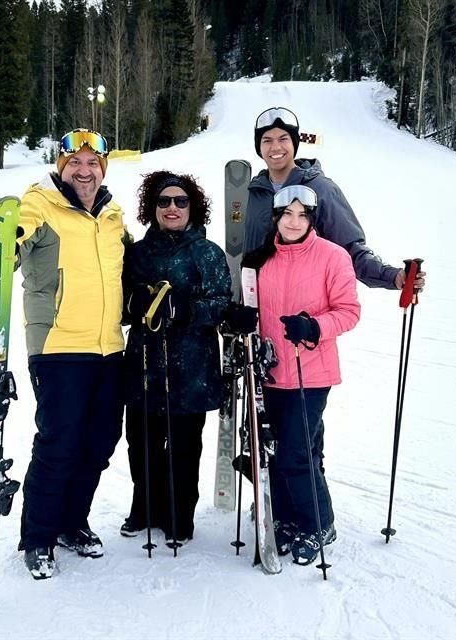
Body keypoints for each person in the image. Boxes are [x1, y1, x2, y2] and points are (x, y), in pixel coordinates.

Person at [0, 129, 128, 580]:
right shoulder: (40, 203)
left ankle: (71, 522)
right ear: (62, 167)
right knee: (59, 444)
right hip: (59, 346)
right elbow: (6, 252)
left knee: (100, 443)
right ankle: (38, 537)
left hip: (109, 348)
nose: (84, 172)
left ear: (103, 169)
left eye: (93, 165)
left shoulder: (112, 213)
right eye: (75, 164)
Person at [119, 171, 254, 545]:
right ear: (153, 208)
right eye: (164, 202)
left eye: (180, 201)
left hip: (190, 367)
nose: (172, 208)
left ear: (192, 207)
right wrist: (134, 303)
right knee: (142, 442)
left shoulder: (205, 252)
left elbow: (219, 303)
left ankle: (180, 516)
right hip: (146, 362)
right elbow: (120, 301)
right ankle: (144, 508)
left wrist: (182, 309)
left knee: (183, 445)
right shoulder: (138, 252)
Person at [242, 184, 360, 566]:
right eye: (287, 214)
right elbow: (251, 308)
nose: (294, 222)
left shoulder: (333, 257)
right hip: (268, 369)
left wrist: (314, 327)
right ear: (276, 216)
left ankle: (318, 522)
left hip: (310, 372)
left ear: (312, 219)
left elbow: (349, 311)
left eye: (302, 215)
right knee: (271, 452)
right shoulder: (261, 258)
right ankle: (287, 520)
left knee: (296, 452)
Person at [245, 106, 425, 292]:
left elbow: (350, 250)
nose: (275, 147)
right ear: (259, 146)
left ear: (294, 144)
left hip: (304, 310)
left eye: (284, 139)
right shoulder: (255, 192)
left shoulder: (321, 189)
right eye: (267, 140)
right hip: (258, 308)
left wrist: (392, 276)